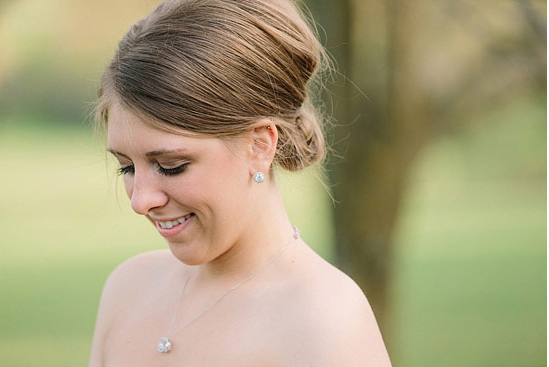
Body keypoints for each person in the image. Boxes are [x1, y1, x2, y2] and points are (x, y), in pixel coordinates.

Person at [87, 0, 392, 365]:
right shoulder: (128, 290)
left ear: (260, 145)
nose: (140, 201)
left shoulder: (324, 320)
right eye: (127, 168)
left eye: (171, 166)